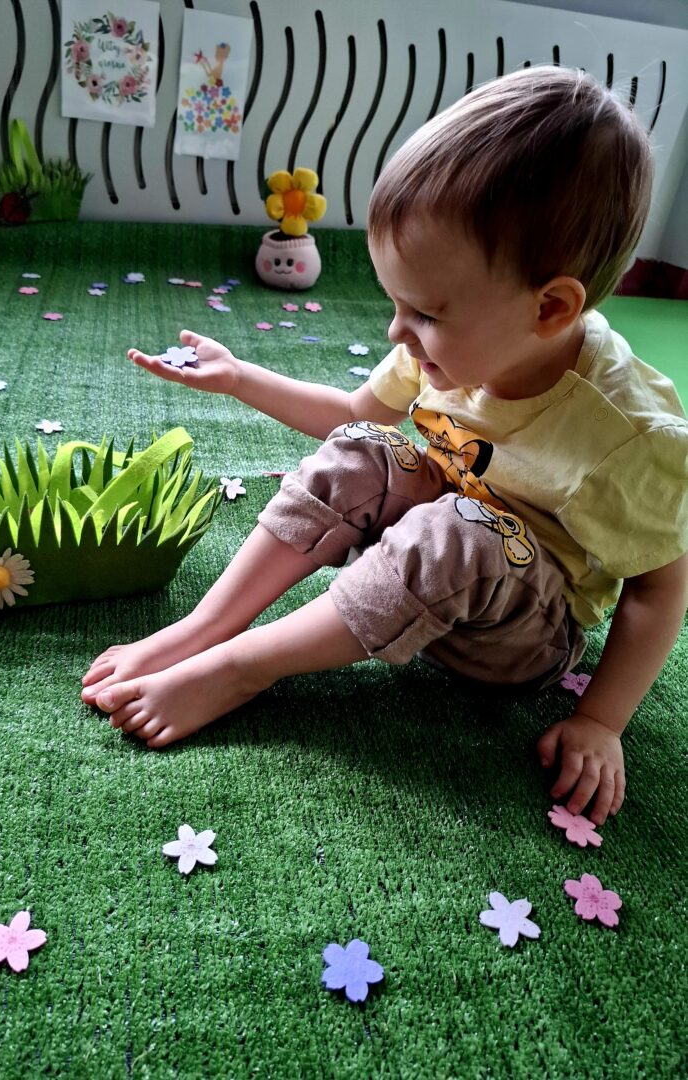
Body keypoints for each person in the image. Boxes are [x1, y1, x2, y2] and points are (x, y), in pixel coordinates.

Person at [81, 65, 688, 825]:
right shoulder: (444, 344)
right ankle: (207, 628)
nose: (398, 332)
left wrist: (601, 720)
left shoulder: (629, 435)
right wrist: (240, 378)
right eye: (397, 304)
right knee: (365, 446)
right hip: (422, 550)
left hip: (522, 630)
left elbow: (659, 589)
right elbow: (351, 413)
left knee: (456, 532)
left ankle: (241, 668)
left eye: (425, 314)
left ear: (550, 308)